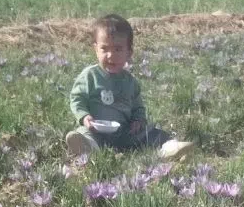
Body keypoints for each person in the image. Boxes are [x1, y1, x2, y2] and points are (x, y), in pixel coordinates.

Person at [66, 14, 193, 160]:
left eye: (118, 49)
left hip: (125, 133)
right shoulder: (90, 75)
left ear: (129, 53)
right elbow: (77, 98)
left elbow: (138, 108)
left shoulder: (130, 82)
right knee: (82, 132)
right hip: (95, 129)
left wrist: (138, 121)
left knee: (153, 133)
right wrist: (84, 116)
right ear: (96, 49)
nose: (110, 55)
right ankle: (89, 148)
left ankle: (169, 148)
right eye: (104, 49)